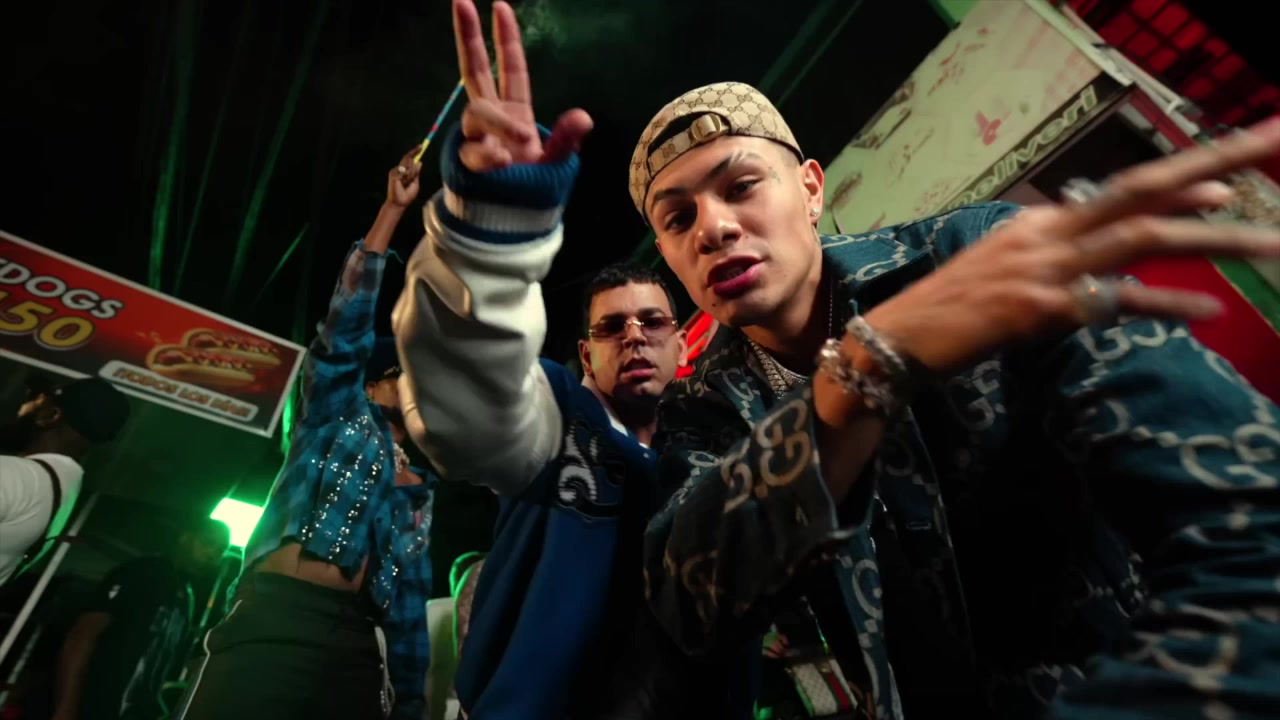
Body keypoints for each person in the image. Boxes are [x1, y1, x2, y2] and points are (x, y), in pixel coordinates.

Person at [628, 82, 1280, 718]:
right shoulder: (703, 407)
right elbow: (690, 608)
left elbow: (1248, 514)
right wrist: (857, 374)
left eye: (741, 186)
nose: (712, 228)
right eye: (678, 219)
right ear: (668, 256)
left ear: (810, 189)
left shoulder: (969, 255)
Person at [393, 4, 721, 716]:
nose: (634, 336)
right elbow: (469, 395)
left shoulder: (720, 442)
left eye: (652, 322)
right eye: (611, 327)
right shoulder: (552, 420)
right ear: (585, 355)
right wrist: (492, 232)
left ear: (680, 343)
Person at [177, 148, 434, 720]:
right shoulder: (337, 411)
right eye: (402, 372)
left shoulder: (420, 485)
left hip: (362, 643)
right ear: (370, 385)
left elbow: (410, 604)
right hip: (279, 615)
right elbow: (346, 327)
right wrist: (392, 212)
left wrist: (411, 703)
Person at [51, 518, 230, 720]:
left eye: (220, 550)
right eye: (207, 542)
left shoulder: (187, 596)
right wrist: (66, 706)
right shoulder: (141, 571)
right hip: (94, 708)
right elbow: (82, 635)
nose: (212, 554)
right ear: (185, 537)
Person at [0, 377, 131, 586]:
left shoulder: (19, 477)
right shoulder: (64, 489)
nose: (24, 407)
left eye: (37, 401)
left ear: (50, 416)